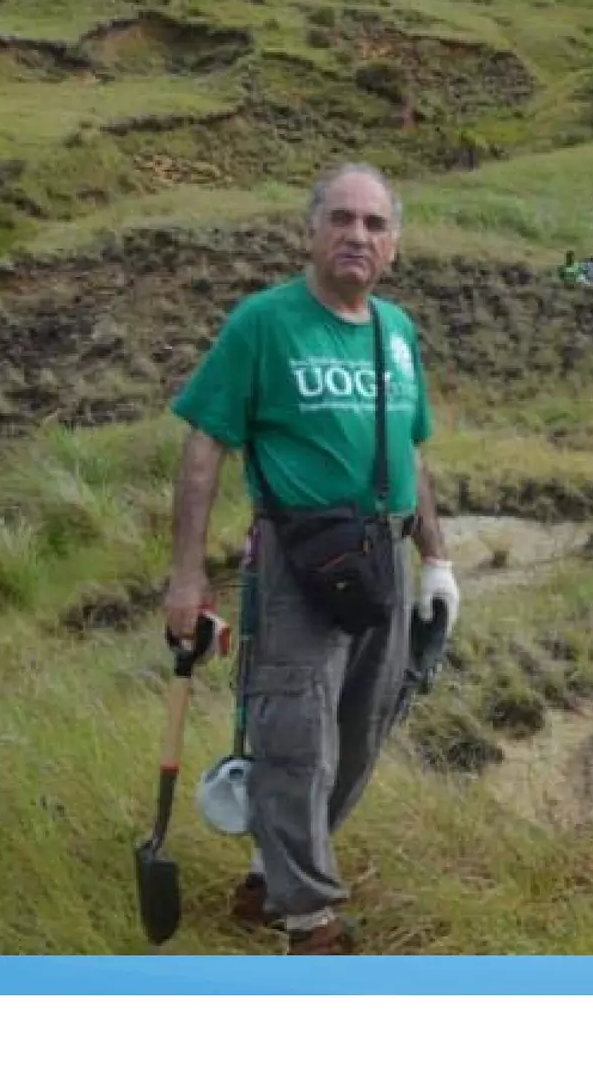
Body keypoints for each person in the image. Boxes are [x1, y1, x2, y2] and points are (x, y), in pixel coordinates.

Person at [163, 162, 458, 956]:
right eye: (342, 219)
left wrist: (437, 561)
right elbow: (205, 444)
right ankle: (308, 918)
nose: (357, 235)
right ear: (312, 230)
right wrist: (187, 574)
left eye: (374, 224)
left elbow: (413, 452)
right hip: (299, 562)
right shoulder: (264, 323)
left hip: (384, 560)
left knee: (362, 727)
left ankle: (272, 872)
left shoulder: (397, 332)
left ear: (394, 244)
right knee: (295, 735)